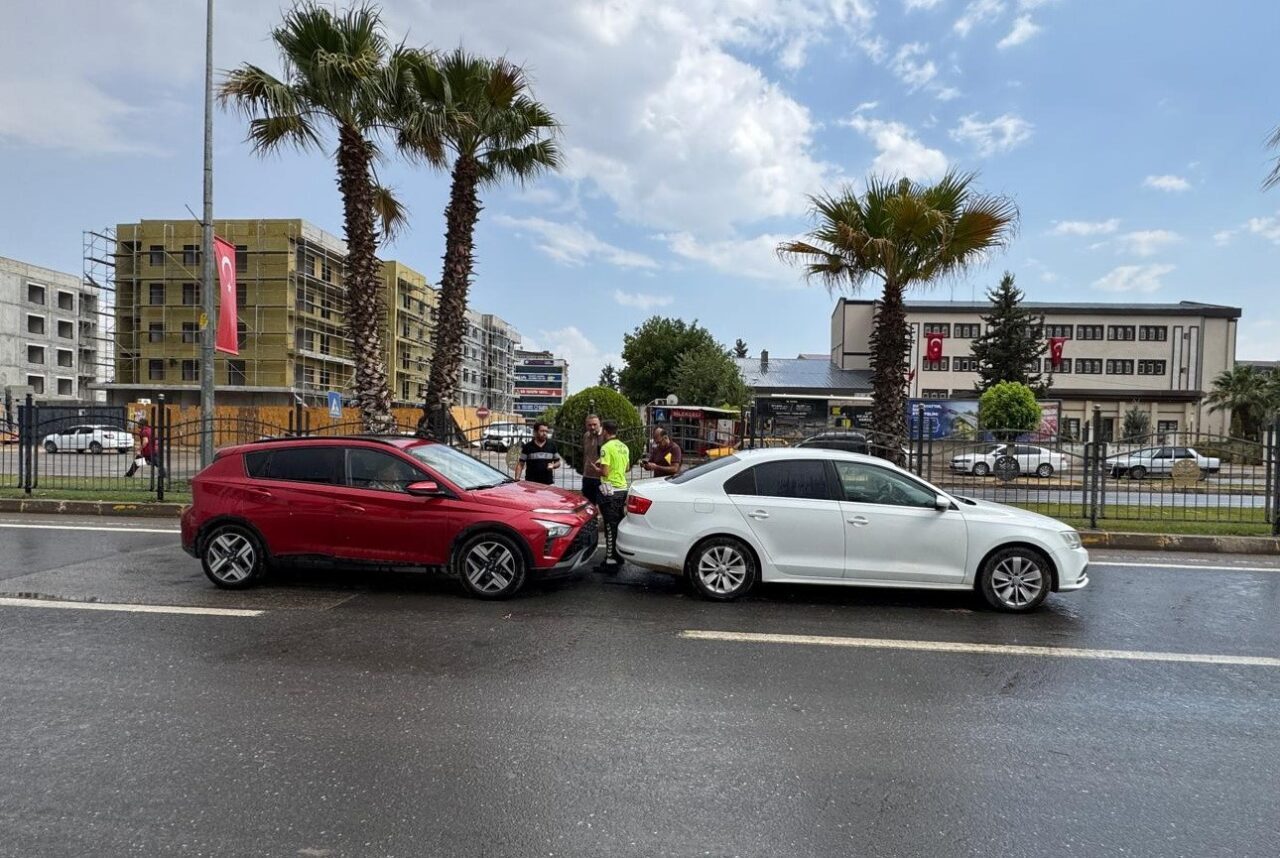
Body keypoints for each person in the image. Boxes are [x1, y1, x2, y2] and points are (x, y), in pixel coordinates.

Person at [595, 419, 631, 571]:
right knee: (618, 524)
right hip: (622, 489)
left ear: (605, 431)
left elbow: (605, 472)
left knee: (610, 526)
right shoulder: (624, 447)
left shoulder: (606, 447)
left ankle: (610, 560)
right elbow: (627, 467)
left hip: (610, 491)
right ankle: (618, 556)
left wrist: (596, 468)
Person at [580, 413, 604, 506]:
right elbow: (585, 455)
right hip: (587, 476)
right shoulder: (586, 436)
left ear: (600, 424)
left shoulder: (605, 437)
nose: (592, 427)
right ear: (586, 425)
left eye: (595, 424)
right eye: (589, 425)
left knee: (602, 506)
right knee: (588, 505)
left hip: (601, 477)